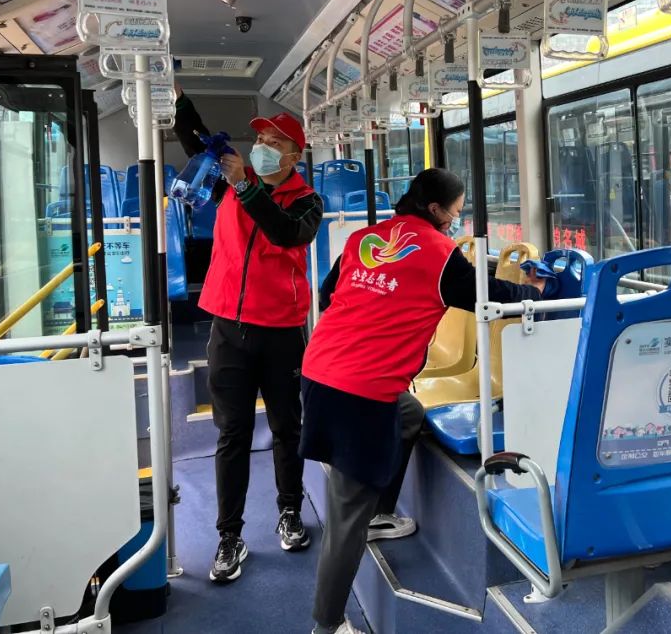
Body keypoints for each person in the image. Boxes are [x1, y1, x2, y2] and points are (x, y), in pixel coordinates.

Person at [299, 168, 544, 634]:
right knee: (346, 517)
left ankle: (379, 512)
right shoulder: (438, 252)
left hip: (319, 370)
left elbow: (329, 293)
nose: (456, 220)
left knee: (409, 411)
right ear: (435, 209)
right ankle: (327, 625)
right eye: (455, 212)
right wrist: (533, 292)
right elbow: (487, 294)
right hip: (360, 391)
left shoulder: (366, 238)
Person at [172, 86, 323, 583]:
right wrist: (180, 101)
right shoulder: (234, 182)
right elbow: (197, 144)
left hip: (282, 331)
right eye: (260, 139)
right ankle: (229, 536)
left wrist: (244, 187)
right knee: (232, 434)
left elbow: (285, 233)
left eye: (275, 142)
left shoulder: (307, 201)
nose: (263, 147)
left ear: (294, 156)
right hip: (229, 329)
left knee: (287, 428)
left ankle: (290, 512)